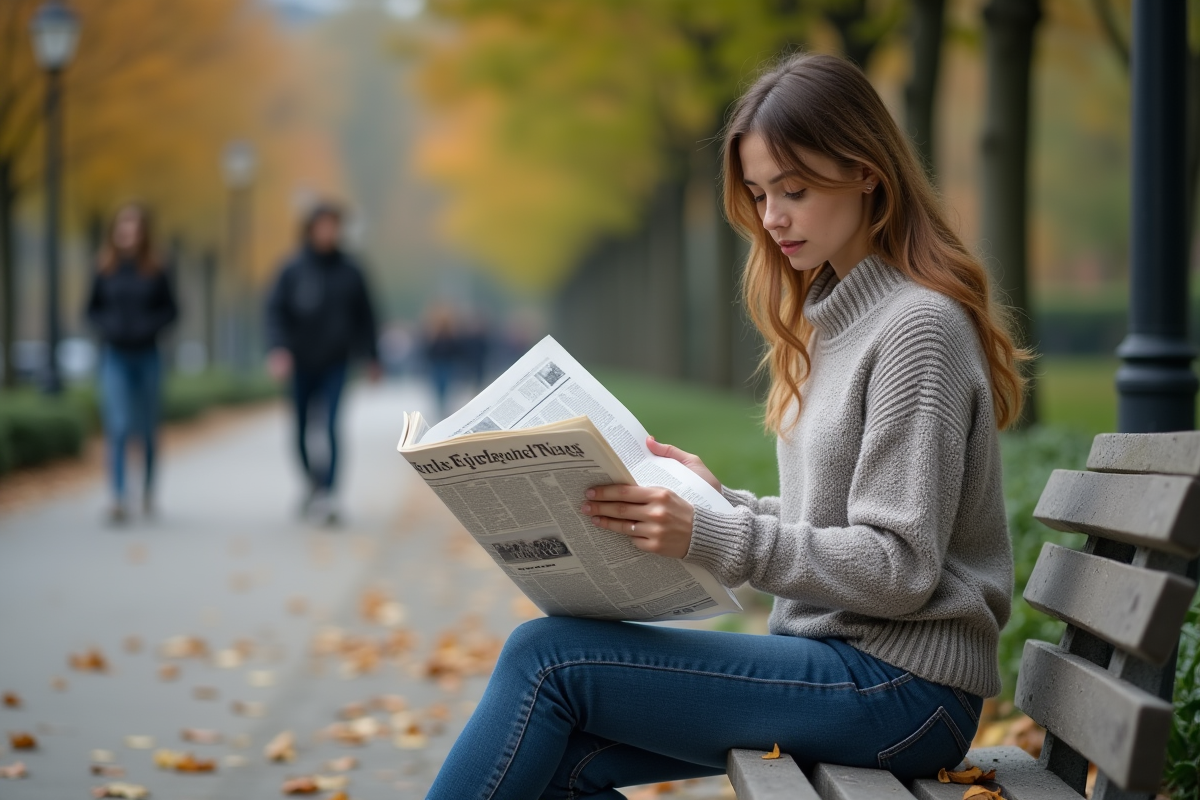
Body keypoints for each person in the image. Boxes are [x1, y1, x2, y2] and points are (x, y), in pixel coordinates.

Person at [425, 52, 1028, 798]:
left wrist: (716, 537)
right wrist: (718, 504)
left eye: (794, 190)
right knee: (553, 757)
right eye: (759, 193)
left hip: (902, 687)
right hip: (849, 669)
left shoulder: (916, 329)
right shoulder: (833, 320)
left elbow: (899, 566)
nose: (772, 217)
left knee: (543, 659)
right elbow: (837, 524)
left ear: (867, 172)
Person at [265, 202, 381, 525]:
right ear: (310, 229)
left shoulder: (351, 271)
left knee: (331, 426)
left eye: (334, 226)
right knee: (300, 429)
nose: (328, 232)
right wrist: (278, 349)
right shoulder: (292, 269)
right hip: (300, 361)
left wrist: (372, 356)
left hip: (336, 361)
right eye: (322, 226)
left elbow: (367, 316)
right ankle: (313, 483)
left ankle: (329, 494)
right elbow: (274, 312)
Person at [85, 203, 178, 524]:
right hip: (115, 355)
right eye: (123, 226)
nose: (128, 233)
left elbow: (172, 310)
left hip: (148, 354)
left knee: (147, 428)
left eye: (134, 227)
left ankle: (148, 491)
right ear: (114, 231)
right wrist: (108, 326)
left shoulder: (157, 268)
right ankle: (118, 496)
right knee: (119, 425)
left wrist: (148, 327)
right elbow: (91, 309)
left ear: (143, 233)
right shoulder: (103, 268)